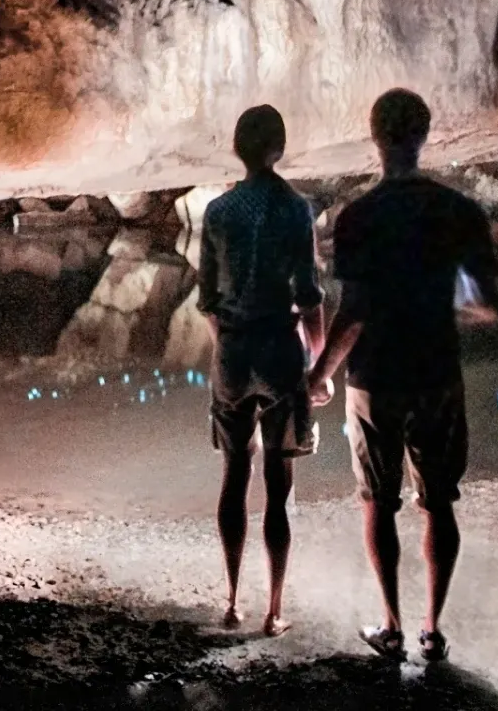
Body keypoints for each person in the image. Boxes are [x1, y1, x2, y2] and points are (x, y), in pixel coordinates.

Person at [307, 88, 498, 666]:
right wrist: (446, 296)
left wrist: (319, 373)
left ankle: (390, 626)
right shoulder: (460, 211)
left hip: (375, 377)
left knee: (377, 500)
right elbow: (486, 302)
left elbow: (355, 310)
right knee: (438, 502)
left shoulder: (359, 216)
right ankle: (433, 632)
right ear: (424, 134)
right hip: (437, 369)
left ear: (376, 137)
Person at [197, 104, 319, 638]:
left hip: (234, 349)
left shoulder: (219, 211)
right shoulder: (296, 208)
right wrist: (314, 361)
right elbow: (309, 295)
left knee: (233, 475)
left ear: (237, 149)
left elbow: (206, 300)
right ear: (280, 148)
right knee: (278, 479)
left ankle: (229, 601)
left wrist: (225, 346)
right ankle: (273, 611)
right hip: (278, 347)